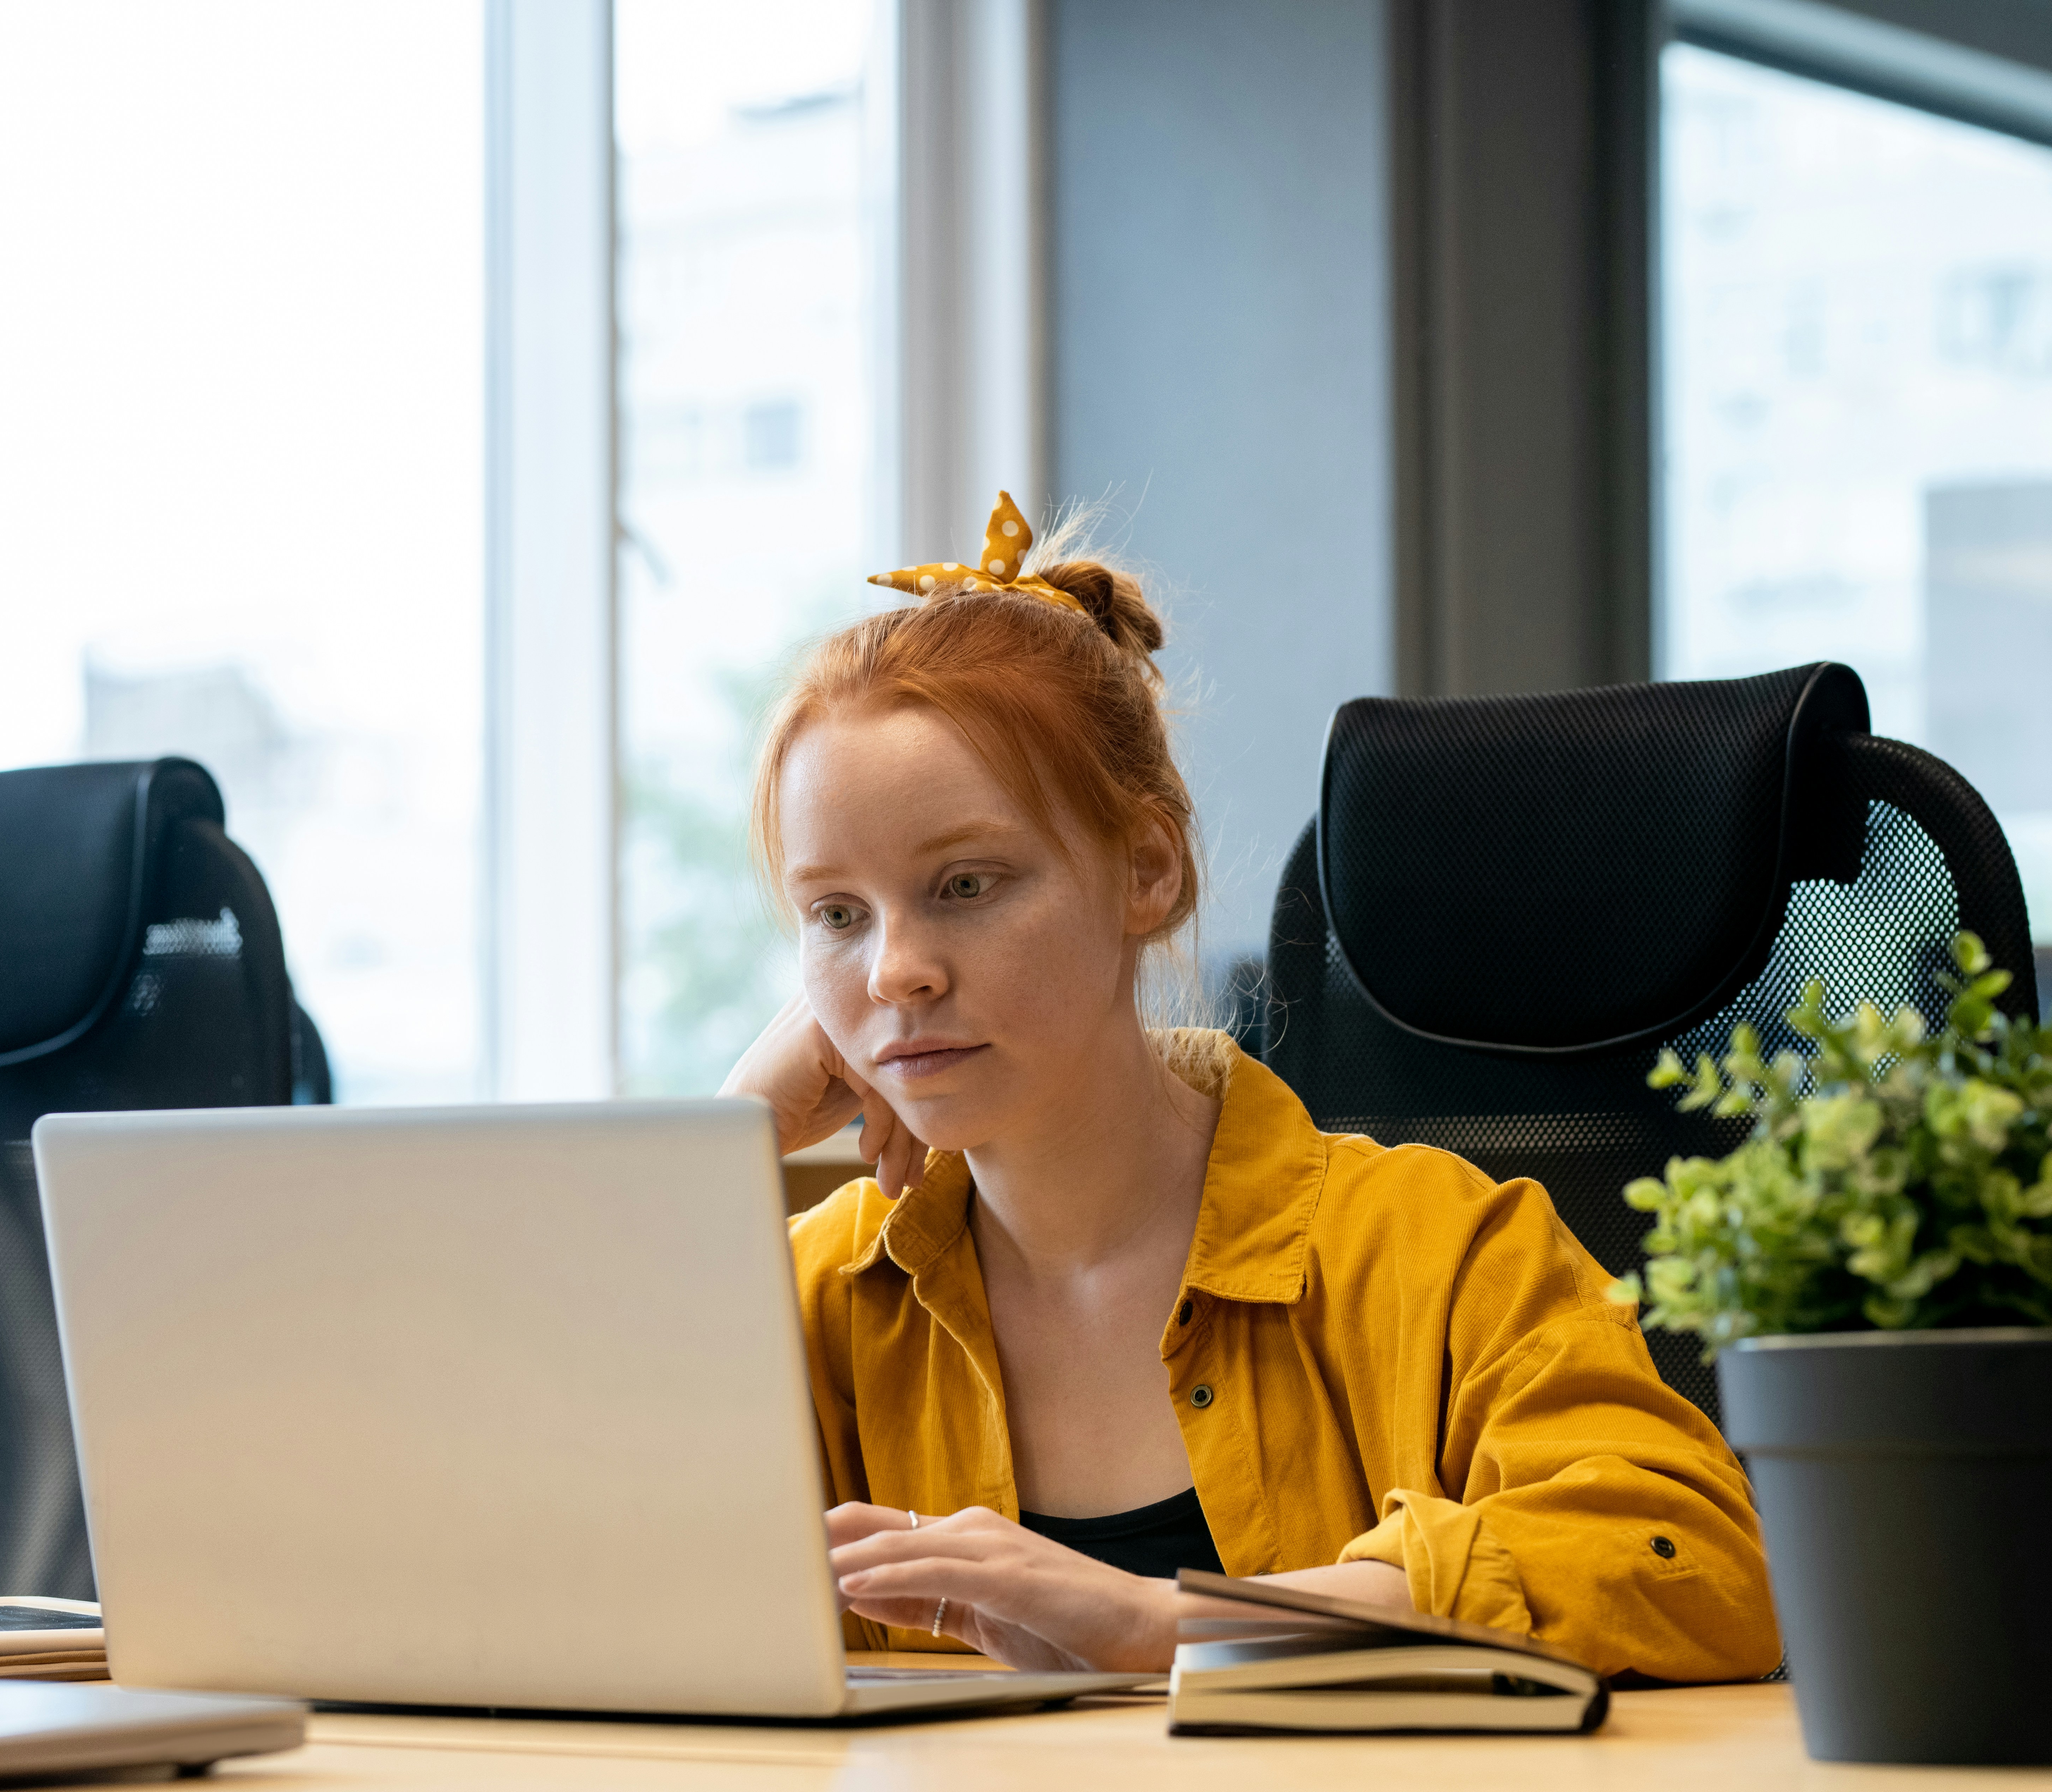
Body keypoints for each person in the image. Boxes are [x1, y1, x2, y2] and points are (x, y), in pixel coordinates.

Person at [720, 492, 1779, 1682]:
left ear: (1146, 870)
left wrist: (1173, 1627)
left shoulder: (1436, 1252)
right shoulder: (816, 1302)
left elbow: (1690, 1564)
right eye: (836, 916)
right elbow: (529, 1552)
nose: (895, 971)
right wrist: (723, 1142)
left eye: (966, 885)